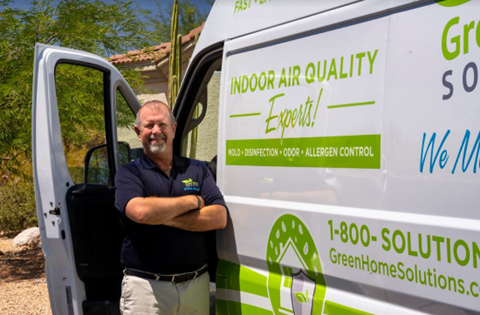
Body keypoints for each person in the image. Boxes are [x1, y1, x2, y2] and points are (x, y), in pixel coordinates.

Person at [114, 100, 227, 315]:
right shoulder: (128, 173)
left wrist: (160, 216)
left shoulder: (198, 169)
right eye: (149, 126)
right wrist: (193, 201)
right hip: (145, 289)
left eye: (162, 124)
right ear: (139, 132)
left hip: (195, 285)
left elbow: (219, 217)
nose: (156, 131)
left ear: (173, 129)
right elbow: (140, 211)